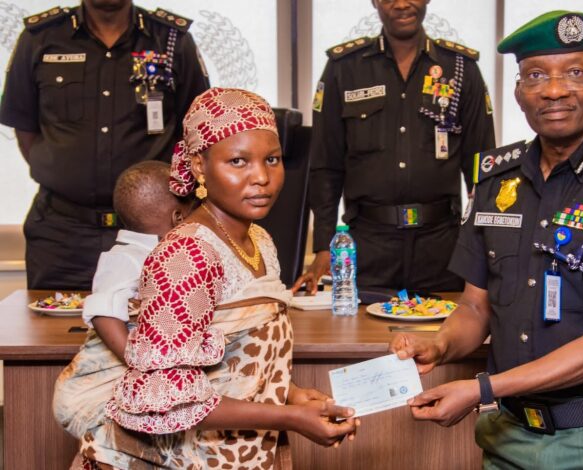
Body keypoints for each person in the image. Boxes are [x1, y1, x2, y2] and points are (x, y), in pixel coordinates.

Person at [391, 11, 583, 469]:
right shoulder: (493, 180)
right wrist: (439, 346)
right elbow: (474, 308)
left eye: (576, 73)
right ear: (519, 92)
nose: (555, 89)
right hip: (508, 440)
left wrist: (482, 389)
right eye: (536, 75)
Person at [62, 88, 357, 468]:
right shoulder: (186, 255)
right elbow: (167, 400)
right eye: (238, 161)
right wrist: (289, 419)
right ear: (200, 167)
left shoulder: (259, 239)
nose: (261, 178)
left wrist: (292, 395)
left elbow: (238, 363)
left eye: (272, 159)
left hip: (227, 455)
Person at [0, 0, 209, 291]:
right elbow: (25, 129)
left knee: (160, 330)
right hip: (62, 234)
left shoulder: (172, 39)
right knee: (51, 332)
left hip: (153, 233)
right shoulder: (41, 38)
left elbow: (197, 130)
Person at [293, 0, 495, 294]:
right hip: (367, 248)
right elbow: (326, 165)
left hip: (443, 248)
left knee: (447, 337)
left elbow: (481, 168)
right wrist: (323, 245)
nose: (402, 4)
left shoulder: (460, 68)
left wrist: (483, 244)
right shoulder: (344, 68)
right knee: (356, 338)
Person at [53, 160, 193, 437]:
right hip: (111, 381)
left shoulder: (170, 254)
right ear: (178, 218)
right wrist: (139, 362)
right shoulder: (124, 258)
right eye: (192, 215)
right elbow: (104, 312)